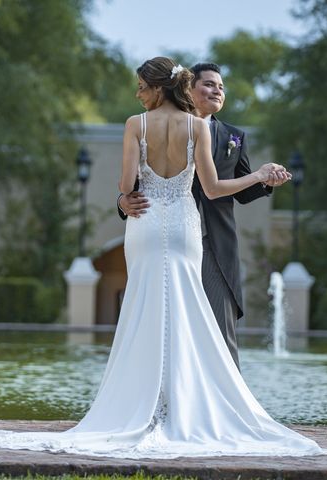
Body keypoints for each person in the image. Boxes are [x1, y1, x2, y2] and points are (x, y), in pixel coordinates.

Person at [0, 57, 326, 458]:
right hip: (186, 230)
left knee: (143, 309)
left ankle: (142, 406)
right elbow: (214, 188)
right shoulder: (197, 127)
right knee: (187, 311)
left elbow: (125, 185)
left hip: (147, 224)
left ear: (157, 88)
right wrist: (257, 175)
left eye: (141, 87)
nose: (137, 94)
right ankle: (187, 405)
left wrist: (126, 193)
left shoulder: (136, 124)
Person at [118, 62, 290, 368]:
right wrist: (122, 202)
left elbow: (240, 189)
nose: (217, 91)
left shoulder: (234, 137)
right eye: (209, 84)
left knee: (220, 330)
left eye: (221, 87)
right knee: (161, 321)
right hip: (166, 233)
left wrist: (264, 181)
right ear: (188, 88)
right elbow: (131, 187)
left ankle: (227, 406)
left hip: (212, 244)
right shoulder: (165, 125)